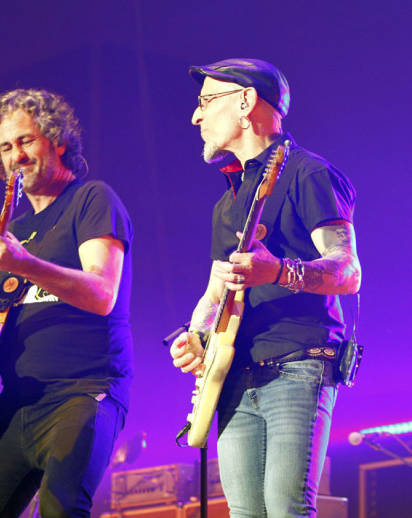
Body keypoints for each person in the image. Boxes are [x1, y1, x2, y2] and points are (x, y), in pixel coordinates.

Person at [169, 58, 361, 517]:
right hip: (235, 374)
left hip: (298, 367)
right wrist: (195, 336)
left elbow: (347, 271)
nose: (196, 117)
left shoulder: (307, 173)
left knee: (286, 508)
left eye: (205, 102)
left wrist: (277, 271)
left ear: (246, 101)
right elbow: (218, 290)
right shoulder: (226, 203)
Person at [0, 89, 133, 517]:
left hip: (83, 390)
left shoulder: (92, 198)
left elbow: (102, 294)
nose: (16, 155)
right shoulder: (17, 228)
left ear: (57, 141)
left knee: (61, 507)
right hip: (17, 401)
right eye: (5, 147)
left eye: (26, 141)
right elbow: (7, 325)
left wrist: (24, 262)